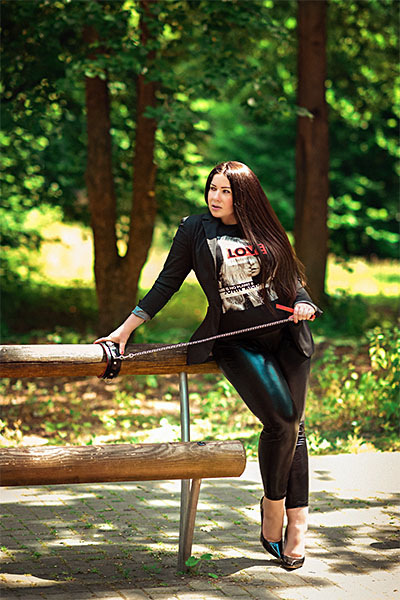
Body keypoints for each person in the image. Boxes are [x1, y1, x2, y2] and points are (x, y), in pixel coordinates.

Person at [95, 161, 321, 570]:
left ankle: (298, 527)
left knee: (295, 428)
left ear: (244, 196)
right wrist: (124, 331)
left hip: (288, 337)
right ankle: (273, 508)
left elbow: (290, 279)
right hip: (235, 342)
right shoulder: (195, 229)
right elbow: (167, 283)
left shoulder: (266, 226)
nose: (215, 197)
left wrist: (303, 302)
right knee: (283, 421)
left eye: (225, 191)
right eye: (212, 188)